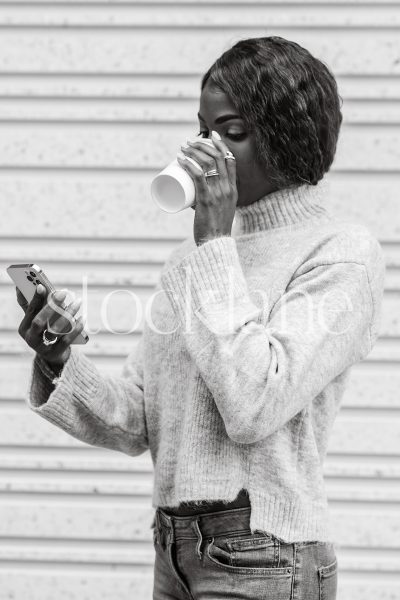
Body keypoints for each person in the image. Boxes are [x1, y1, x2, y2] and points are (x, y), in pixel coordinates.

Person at [17, 36, 385, 600]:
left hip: (265, 555)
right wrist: (58, 357)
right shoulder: (192, 261)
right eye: (202, 129)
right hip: (174, 552)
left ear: (289, 137)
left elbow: (254, 402)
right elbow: (137, 420)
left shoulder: (340, 253)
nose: (203, 150)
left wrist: (214, 242)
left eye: (230, 132)